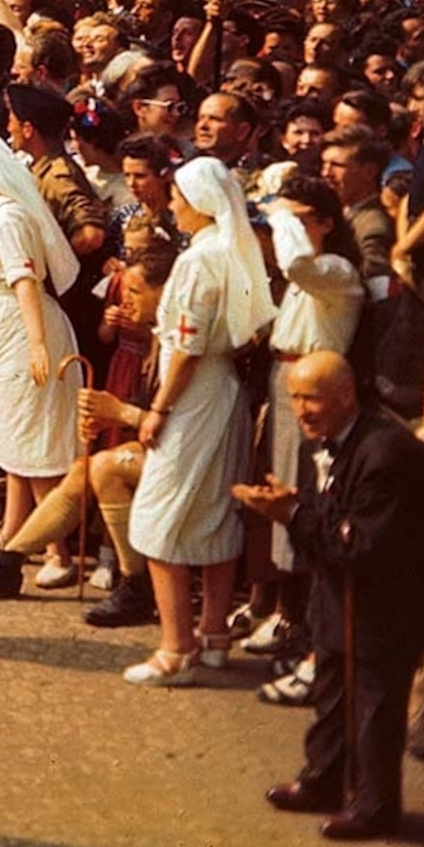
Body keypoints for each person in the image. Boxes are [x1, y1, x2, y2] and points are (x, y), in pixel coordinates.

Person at [244, 351, 424, 842]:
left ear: (345, 395)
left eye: (311, 398)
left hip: (389, 598)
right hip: (344, 591)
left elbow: (360, 542)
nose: (301, 409)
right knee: (331, 687)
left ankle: (375, 807)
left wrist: (291, 515)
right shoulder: (339, 438)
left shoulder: (384, 451)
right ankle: (322, 781)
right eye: (294, 398)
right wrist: (297, 506)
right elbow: (335, 518)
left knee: (373, 705)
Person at [122, 155, 277, 685]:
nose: (173, 205)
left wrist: (158, 409)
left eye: (181, 197)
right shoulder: (234, 250)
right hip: (225, 391)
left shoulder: (197, 260)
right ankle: (212, 635)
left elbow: (185, 347)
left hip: (191, 396)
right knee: (212, 514)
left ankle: (176, 648)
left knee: (160, 519)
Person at [0, 131, 86, 597]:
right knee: (13, 443)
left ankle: (56, 551)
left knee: (37, 445)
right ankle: (11, 537)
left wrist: (39, 344)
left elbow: (25, 282)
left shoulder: (10, 219)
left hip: (23, 336)